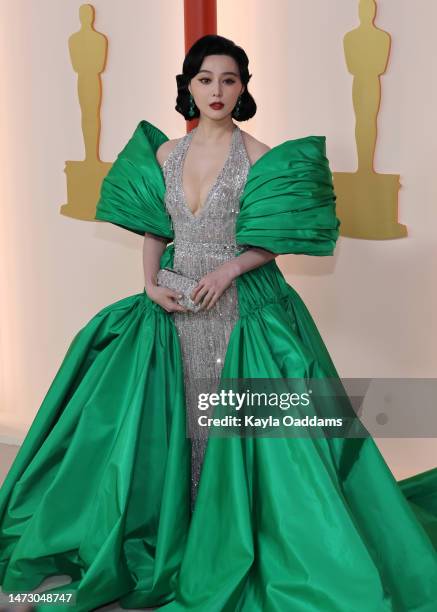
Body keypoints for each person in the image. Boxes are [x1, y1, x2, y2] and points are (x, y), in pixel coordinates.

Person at [1, 34, 437, 612]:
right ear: (188, 86)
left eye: (229, 80)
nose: (217, 90)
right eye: (205, 79)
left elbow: (275, 239)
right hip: (175, 306)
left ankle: (234, 535)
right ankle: (177, 529)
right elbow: (155, 229)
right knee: (173, 417)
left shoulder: (259, 155)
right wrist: (151, 285)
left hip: (241, 309)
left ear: (243, 89)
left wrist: (230, 268)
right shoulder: (164, 157)